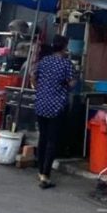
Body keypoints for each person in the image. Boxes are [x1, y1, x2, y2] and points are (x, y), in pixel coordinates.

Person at [31, 36, 75, 189]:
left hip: (41, 103)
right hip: (56, 106)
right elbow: (72, 84)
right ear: (64, 47)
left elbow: (33, 76)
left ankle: (40, 170)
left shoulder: (44, 61)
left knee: (43, 138)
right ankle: (45, 176)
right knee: (52, 141)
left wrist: (40, 89)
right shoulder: (66, 64)